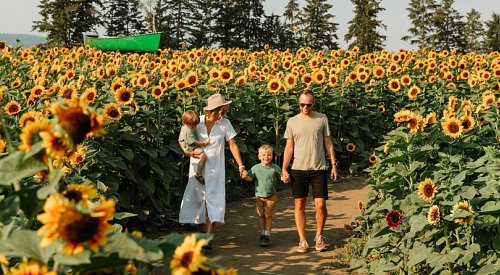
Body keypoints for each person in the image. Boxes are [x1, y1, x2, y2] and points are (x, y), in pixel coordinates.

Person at [179, 93, 246, 250]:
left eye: (224, 110)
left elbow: (233, 144)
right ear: (210, 111)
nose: (223, 113)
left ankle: (208, 237)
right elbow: (183, 137)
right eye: (221, 110)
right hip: (197, 168)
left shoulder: (225, 124)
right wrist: (186, 151)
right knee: (197, 201)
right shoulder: (197, 121)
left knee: (214, 201)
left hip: (215, 168)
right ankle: (203, 234)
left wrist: (241, 165)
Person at [281, 90, 338, 253]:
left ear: (314, 103)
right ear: (298, 103)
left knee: (320, 204)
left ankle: (319, 236)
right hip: (298, 169)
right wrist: (284, 169)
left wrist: (333, 164)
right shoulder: (292, 122)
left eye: (308, 104)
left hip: (318, 168)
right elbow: (289, 147)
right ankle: (302, 240)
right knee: (300, 204)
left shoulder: (321, 118)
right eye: (302, 104)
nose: (305, 107)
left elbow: (328, 142)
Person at [241, 144, 282, 247]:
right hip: (259, 196)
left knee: (268, 216)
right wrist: (244, 176)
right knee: (261, 215)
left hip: (271, 196)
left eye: (268, 155)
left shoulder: (275, 168)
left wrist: (285, 178)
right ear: (259, 157)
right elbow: (250, 178)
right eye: (263, 155)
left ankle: (267, 234)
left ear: (272, 156)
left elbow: (282, 177)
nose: (266, 157)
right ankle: (262, 232)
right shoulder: (255, 168)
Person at [178, 110, 209, 185]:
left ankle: (192, 155)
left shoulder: (185, 125)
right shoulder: (188, 130)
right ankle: (199, 174)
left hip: (184, 145)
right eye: (193, 125)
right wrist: (203, 143)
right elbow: (192, 142)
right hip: (190, 147)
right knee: (203, 157)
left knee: (197, 155)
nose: (195, 126)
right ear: (188, 123)